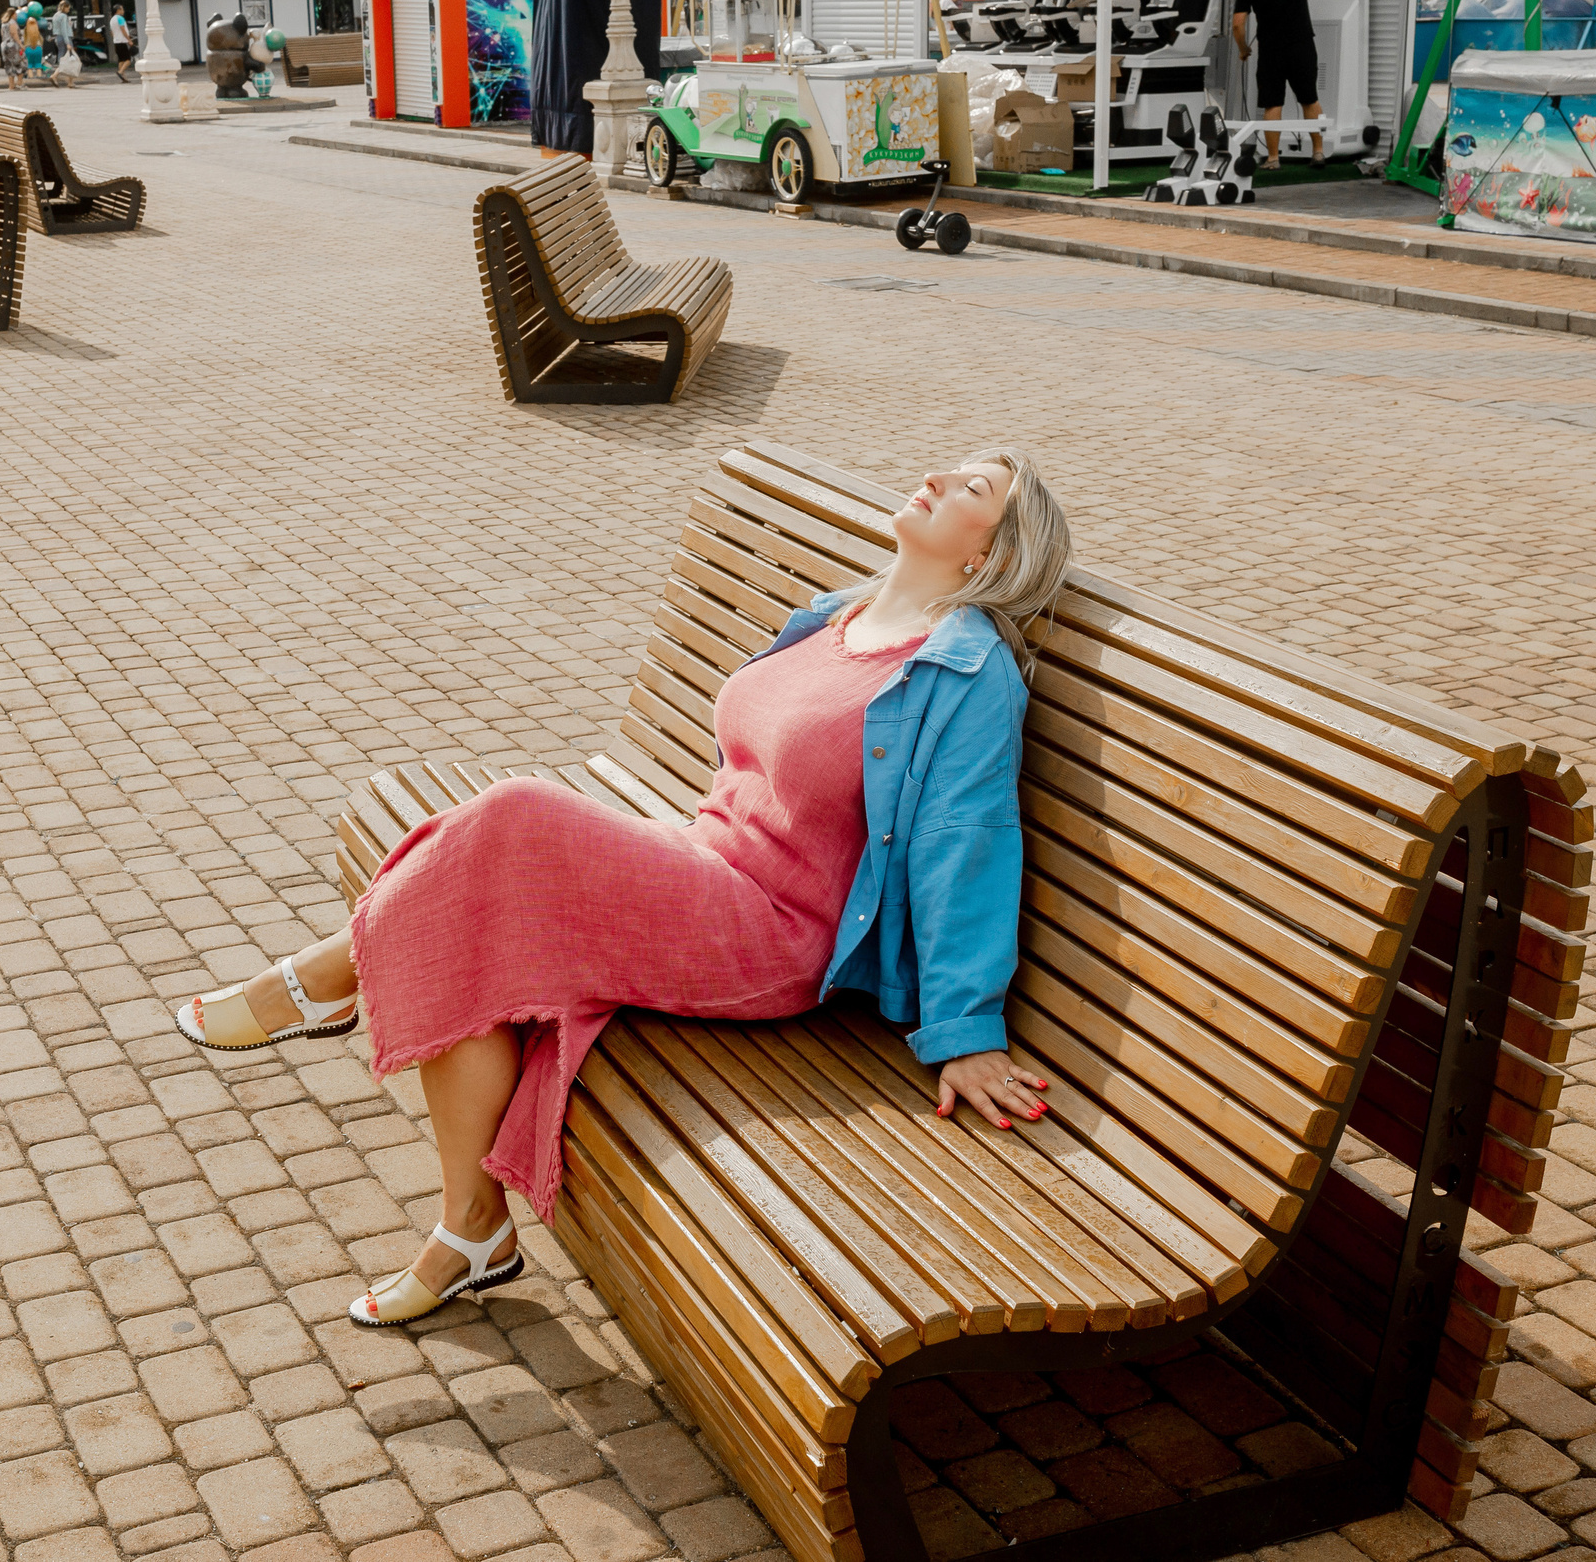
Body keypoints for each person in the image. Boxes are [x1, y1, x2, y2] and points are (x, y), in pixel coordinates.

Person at [174, 453, 1070, 1327]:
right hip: (698, 862)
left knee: (518, 816)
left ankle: (318, 981)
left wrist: (965, 1030)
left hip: (769, 928)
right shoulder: (840, 615)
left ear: (988, 555)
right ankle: (471, 1231)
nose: (939, 478)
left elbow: (967, 844)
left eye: (974, 488)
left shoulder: (968, 675)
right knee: (483, 919)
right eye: (949, 468)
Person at [1231, 0, 1322, 169]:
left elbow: (1238, 23)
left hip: (1271, 50)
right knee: (1310, 99)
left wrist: (1243, 49)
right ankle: (1319, 153)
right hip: (1302, 43)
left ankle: (1273, 159)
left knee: (1273, 104)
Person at [0, 9, 26, 88]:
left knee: (8, 64)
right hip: (13, 45)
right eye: (16, 15)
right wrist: (21, 44)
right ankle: (20, 82)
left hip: (4, 45)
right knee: (20, 63)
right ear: (13, 14)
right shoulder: (12, 23)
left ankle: (11, 85)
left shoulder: (3, 23)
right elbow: (14, 34)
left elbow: (2, 34)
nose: (16, 16)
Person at [108, 7, 136, 82]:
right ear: (118, 10)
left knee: (121, 60)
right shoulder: (120, 18)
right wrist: (129, 40)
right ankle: (120, 72)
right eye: (122, 9)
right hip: (122, 41)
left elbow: (111, 32)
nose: (123, 11)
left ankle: (123, 78)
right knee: (128, 60)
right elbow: (123, 29)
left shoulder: (112, 20)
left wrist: (115, 38)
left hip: (116, 41)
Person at [21, 6, 46, 85]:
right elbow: (42, 39)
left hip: (28, 48)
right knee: (38, 64)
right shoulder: (37, 30)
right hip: (38, 48)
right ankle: (39, 76)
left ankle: (31, 77)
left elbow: (23, 39)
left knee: (29, 65)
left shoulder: (25, 30)